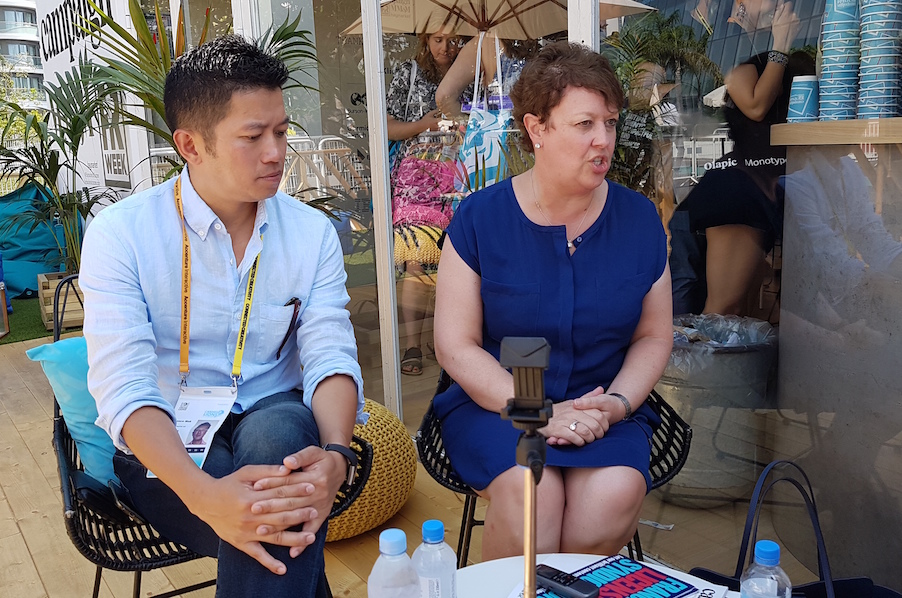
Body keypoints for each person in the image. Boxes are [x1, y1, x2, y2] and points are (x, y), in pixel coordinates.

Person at [79, 35, 365, 598]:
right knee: (279, 516)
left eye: (281, 131)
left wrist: (337, 453)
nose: (276, 153)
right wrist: (206, 497)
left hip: (275, 419)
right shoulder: (122, 235)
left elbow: (330, 351)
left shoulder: (309, 233)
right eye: (253, 137)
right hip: (167, 446)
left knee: (279, 446)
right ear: (191, 144)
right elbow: (125, 386)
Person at [432, 41, 673, 559]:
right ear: (536, 128)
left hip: (601, 403)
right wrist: (538, 410)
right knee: (533, 493)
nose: (603, 140)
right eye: (584, 124)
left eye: (610, 123)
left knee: (612, 496)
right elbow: (455, 346)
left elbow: (654, 335)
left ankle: (560, 589)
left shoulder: (639, 220)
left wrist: (616, 403)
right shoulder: (480, 219)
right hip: (502, 401)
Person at [669, 0, 811, 316]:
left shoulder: (758, 43)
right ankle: (700, 350)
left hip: (767, 181)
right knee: (723, 307)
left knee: (740, 307)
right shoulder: (734, 45)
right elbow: (756, 106)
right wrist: (782, 44)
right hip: (743, 188)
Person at [386, 27, 471, 376]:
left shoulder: (470, 73)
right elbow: (387, 126)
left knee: (457, 261)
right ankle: (412, 344)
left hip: (458, 171)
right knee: (415, 261)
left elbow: (477, 123)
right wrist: (424, 125)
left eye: (453, 40)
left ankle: (447, 340)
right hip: (415, 177)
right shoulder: (408, 72)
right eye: (438, 39)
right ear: (425, 40)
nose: (446, 47)